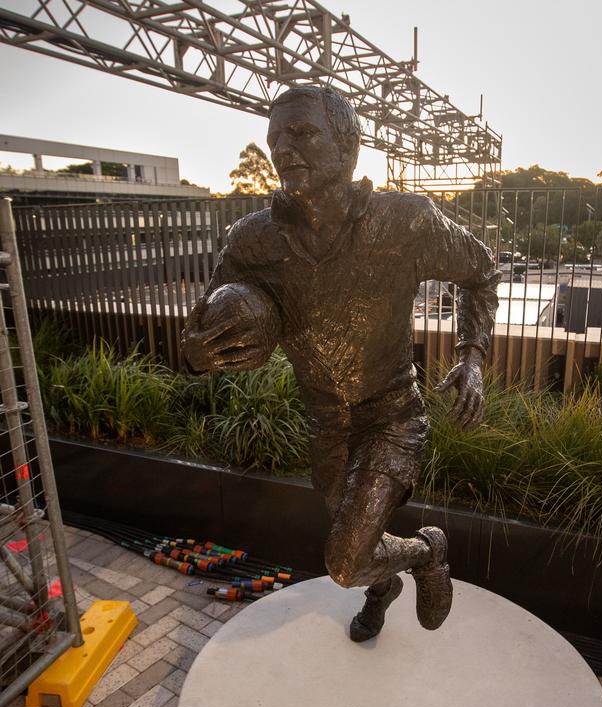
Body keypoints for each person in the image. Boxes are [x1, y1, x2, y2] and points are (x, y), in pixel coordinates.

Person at [183, 85, 499, 642]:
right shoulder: (253, 240)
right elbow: (196, 336)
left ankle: (427, 551)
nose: (283, 148)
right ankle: (385, 592)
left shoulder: (406, 222)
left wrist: (471, 358)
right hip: (324, 423)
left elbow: (482, 274)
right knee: (358, 547)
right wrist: (198, 354)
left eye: (302, 133)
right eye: (275, 136)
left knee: (345, 560)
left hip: (391, 416)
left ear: (349, 147)